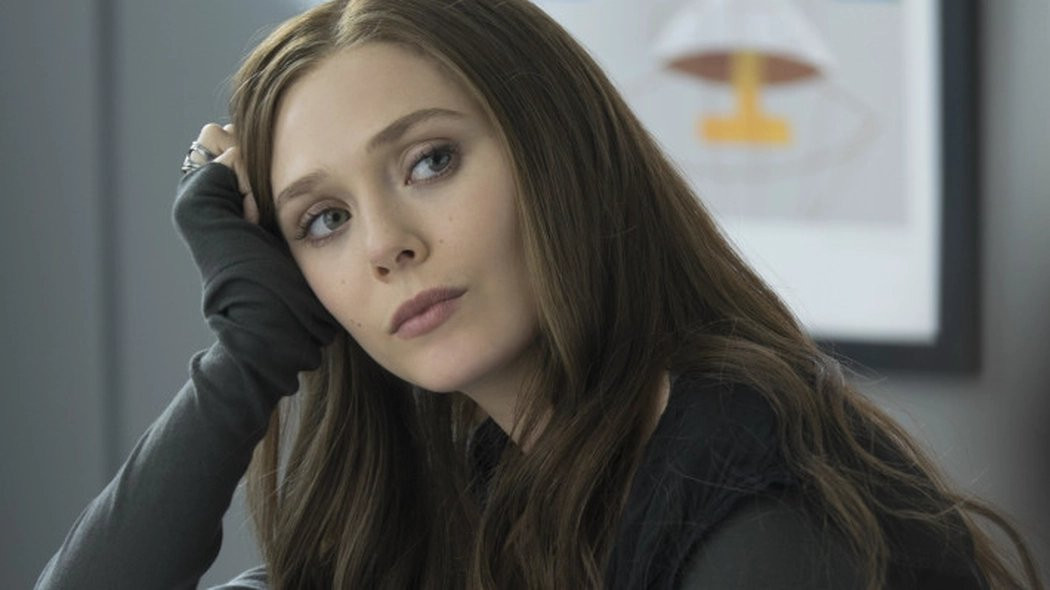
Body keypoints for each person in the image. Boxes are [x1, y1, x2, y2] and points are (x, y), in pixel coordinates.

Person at [36, 1, 1041, 588]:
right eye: (324, 219)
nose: (387, 244)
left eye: (430, 161)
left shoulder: (764, 521)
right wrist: (249, 350)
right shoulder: (476, 496)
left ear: (553, 149)